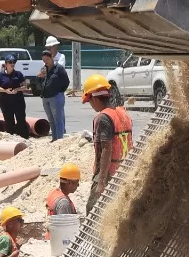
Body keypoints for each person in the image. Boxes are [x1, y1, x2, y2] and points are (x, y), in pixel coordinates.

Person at [81, 74, 131, 210]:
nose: (91, 105)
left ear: (95, 98)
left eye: (89, 101)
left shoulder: (103, 117)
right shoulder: (122, 112)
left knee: (92, 209)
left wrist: (101, 182)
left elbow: (106, 149)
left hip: (109, 174)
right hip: (124, 171)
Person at [35, 38, 69, 141]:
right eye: (43, 60)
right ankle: (55, 139)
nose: (45, 62)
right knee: (51, 120)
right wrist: (39, 77)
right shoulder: (44, 68)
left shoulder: (59, 64)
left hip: (56, 96)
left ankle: (59, 139)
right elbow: (39, 81)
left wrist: (59, 90)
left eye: (46, 60)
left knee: (58, 119)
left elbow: (65, 81)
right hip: (46, 97)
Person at [0, 55, 31, 139]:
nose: (12, 64)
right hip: (6, 102)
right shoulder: (1, 75)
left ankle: (24, 138)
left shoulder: (18, 74)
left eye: (14, 62)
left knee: (21, 120)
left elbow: (25, 86)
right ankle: (11, 138)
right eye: (10, 62)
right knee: (9, 121)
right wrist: (5, 90)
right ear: (5, 64)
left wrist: (17, 89)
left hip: (18, 101)